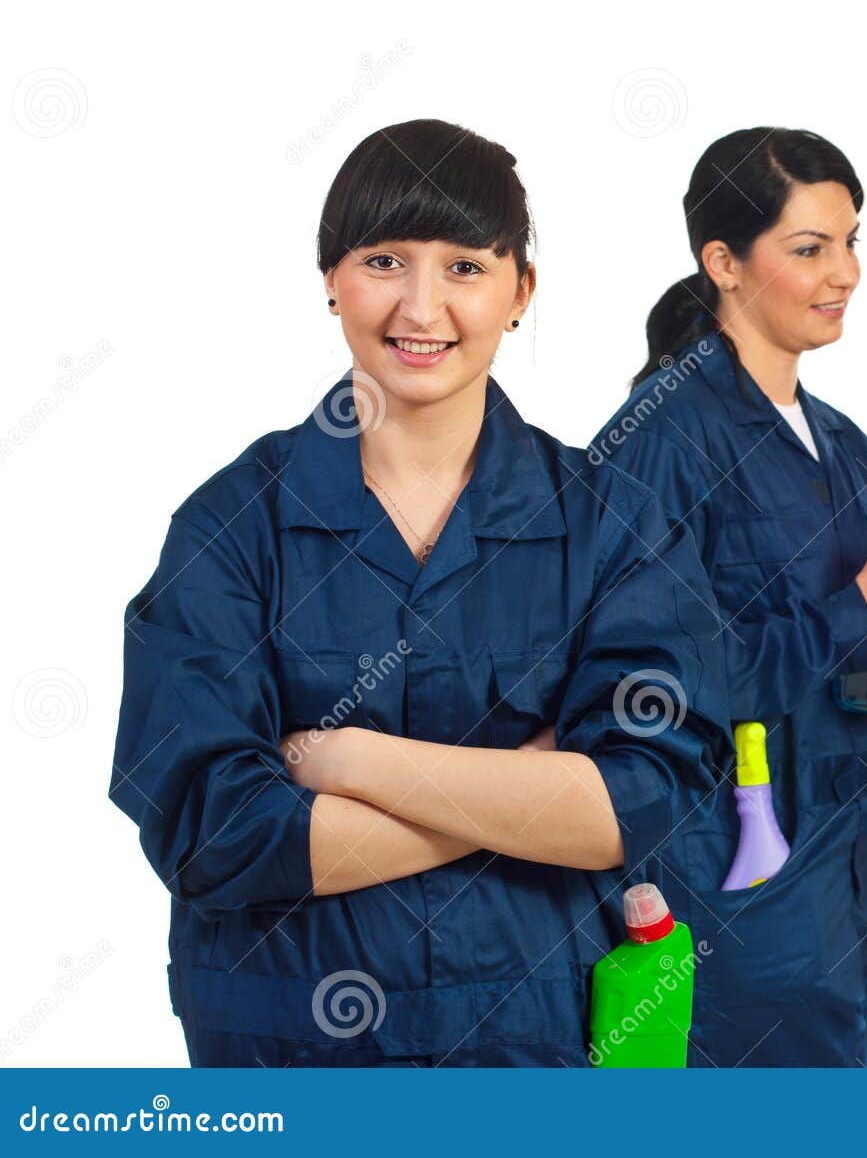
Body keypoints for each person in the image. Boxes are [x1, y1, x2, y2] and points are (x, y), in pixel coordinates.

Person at [109, 119, 727, 1067]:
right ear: (330, 278)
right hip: (286, 1059)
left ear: (522, 290)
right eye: (385, 259)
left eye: (466, 267)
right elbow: (212, 831)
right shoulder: (233, 527)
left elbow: (636, 799)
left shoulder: (613, 524)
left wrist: (345, 757)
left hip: (535, 1052)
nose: (422, 305)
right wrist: (521, 796)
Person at [591, 127, 867, 1066]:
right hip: (734, 889)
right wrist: (847, 625)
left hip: (853, 869)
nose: (845, 273)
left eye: (851, 241)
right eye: (809, 249)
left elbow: (857, 658)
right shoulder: (659, 439)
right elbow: (646, 687)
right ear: (723, 261)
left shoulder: (842, 441)